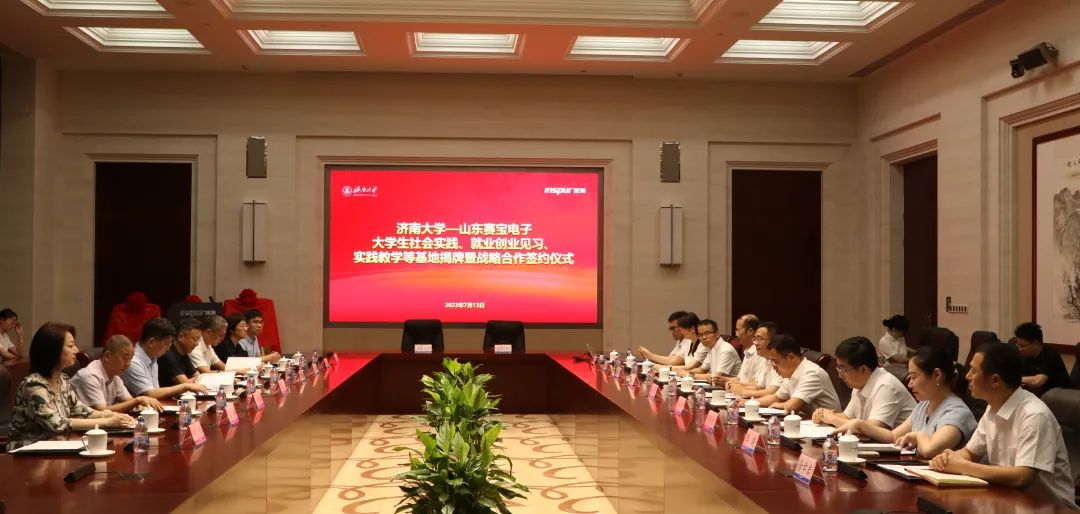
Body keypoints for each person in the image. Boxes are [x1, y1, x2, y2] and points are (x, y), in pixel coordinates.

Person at [930, 342, 1077, 508]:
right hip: (1008, 501)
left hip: (1049, 508)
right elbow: (969, 453)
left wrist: (964, 467)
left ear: (995, 380)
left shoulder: (1034, 415)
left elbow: (1022, 476)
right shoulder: (993, 407)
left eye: (974, 371)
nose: (967, 376)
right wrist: (946, 459)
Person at [6, 323, 135, 451]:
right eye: (70, 345)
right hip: (27, 452)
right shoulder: (34, 384)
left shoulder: (62, 379)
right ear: (53, 350)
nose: (76, 350)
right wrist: (107, 422)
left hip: (58, 447)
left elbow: (82, 411)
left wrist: (113, 416)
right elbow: (57, 424)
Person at [835, 345, 976, 457]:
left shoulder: (957, 413)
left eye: (914, 377)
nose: (910, 384)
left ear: (937, 375)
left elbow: (930, 450)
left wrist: (918, 436)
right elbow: (893, 436)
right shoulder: (924, 405)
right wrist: (859, 425)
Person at [813, 336, 916, 439]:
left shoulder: (886, 386)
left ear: (863, 369)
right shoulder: (860, 383)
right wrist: (823, 414)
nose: (840, 375)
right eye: (838, 369)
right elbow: (847, 417)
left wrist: (832, 418)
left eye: (843, 370)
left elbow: (872, 429)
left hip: (905, 447)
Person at [71, 335, 163, 413]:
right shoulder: (90, 376)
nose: (128, 364)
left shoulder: (115, 375)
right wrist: (138, 400)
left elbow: (128, 400)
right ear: (108, 356)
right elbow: (102, 411)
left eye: (130, 359)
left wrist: (140, 404)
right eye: (125, 358)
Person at [756, 334, 841, 416]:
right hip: (808, 421)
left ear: (791, 358)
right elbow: (776, 397)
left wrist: (777, 404)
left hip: (827, 424)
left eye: (775, 361)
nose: (774, 367)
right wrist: (750, 403)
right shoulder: (790, 373)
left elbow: (791, 407)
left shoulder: (812, 373)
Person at [122, 317, 207, 399]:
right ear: (152, 342)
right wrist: (185, 386)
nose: (168, 348)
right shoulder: (133, 362)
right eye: (166, 344)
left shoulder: (153, 356)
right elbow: (149, 394)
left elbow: (156, 390)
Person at [722, 322, 782, 396]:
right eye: (755, 338)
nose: (755, 343)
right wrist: (735, 386)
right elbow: (759, 386)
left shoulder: (781, 361)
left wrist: (742, 391)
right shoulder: (767, 360)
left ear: (772, 341)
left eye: (759, 339)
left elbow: (773, 392)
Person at [1014, 322, 1069, 394]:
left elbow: (1038, 381)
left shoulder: (1050, 355)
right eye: (1018, 345)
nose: (1019, 349)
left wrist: (1015, 379)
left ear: (1036, 344)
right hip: (1036, 394)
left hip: (1058, 396)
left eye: (1022, 346)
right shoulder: (1025, 356)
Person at [158, 317, 202, 387]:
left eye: (198, 340)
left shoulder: (184, 353)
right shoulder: (168, 354)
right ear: (181, 337)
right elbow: (186, 385)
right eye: (195, 339)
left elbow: (199, 377)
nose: (197, 344)